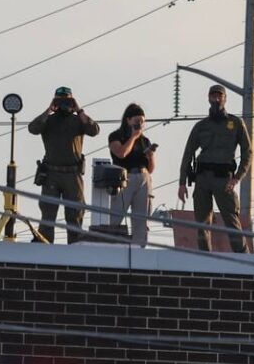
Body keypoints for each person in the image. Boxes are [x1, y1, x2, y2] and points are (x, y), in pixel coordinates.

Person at [178, 84, 252, 253]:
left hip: (224, 179)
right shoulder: (201, 126)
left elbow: (247, 153)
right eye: (213, 95)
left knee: (232, 222)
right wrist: (182, 183)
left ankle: (245, 259)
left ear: (225, 98)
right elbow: (188, 154)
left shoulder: (235, 123)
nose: (216, 99)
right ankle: (206, 259)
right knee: (202, 223)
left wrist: (237, 178)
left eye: (219, 96)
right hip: (203, 178)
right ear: (208, 98)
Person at [26, 85, 100, 243]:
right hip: (51, 173)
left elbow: (94, 130)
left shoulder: (78, 121)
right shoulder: (48, 120)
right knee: (48, 215)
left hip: (73, 174)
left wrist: (79, 110)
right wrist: (49, 110)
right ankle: (44, 249)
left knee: (75, 216)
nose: (64, 104)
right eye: (60, 101)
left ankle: (74, 252)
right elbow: (33, 128)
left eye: (67, 100)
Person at [106, 103, 157, 247]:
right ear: (128, 120)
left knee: (141, 219)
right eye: (137, 121)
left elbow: (151, 169)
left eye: (142, 121)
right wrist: (133, 137)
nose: (140, 124)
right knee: (116, 216)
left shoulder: (145, 140)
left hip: (143, 177)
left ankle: (139, 249)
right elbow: (121, 153)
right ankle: (112, 246)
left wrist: (150, 156)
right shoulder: (116, 136)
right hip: (124, 177)